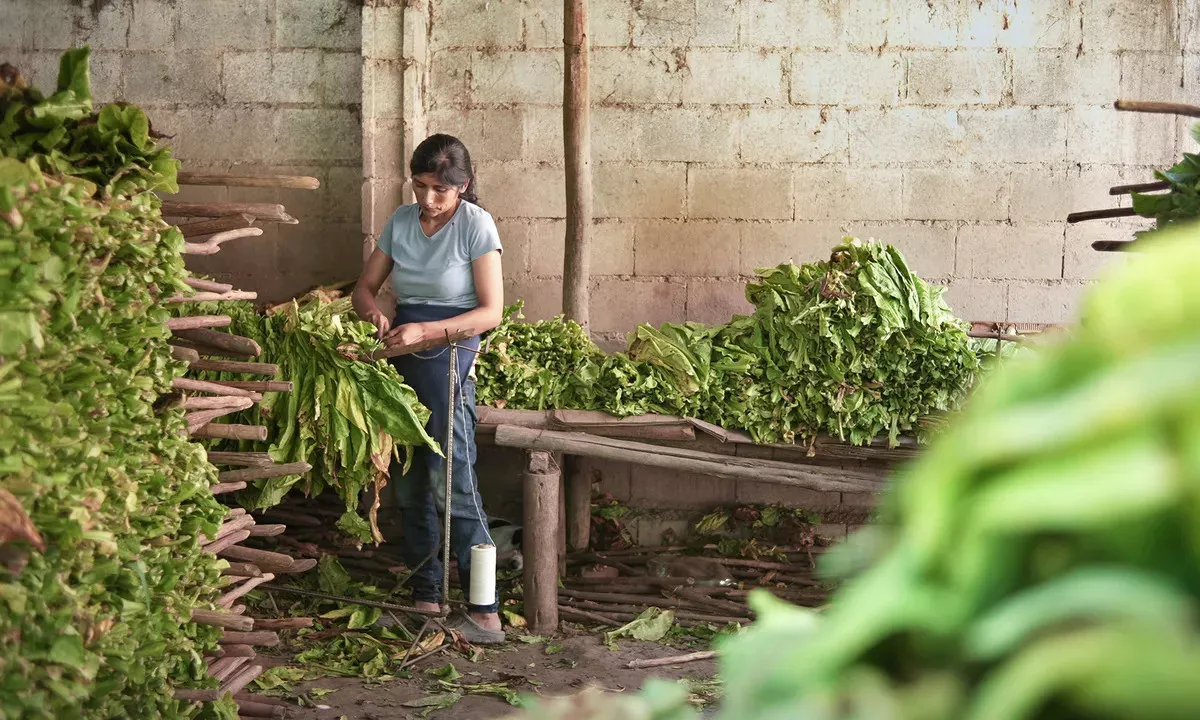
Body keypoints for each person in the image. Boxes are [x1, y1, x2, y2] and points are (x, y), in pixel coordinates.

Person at [352, 134, 505, 644]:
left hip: (451, 348)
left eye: (440, 190)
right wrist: (374, 313)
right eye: (420, 186)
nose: (428, 199)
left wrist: (426, 332)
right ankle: (426, 597)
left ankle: (484, 612)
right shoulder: (400, 221)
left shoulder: (476, 226)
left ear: (462, 186)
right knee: (411, 472)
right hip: (401, 347)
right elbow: (364, 286)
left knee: (453, 475)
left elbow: (491, 312)